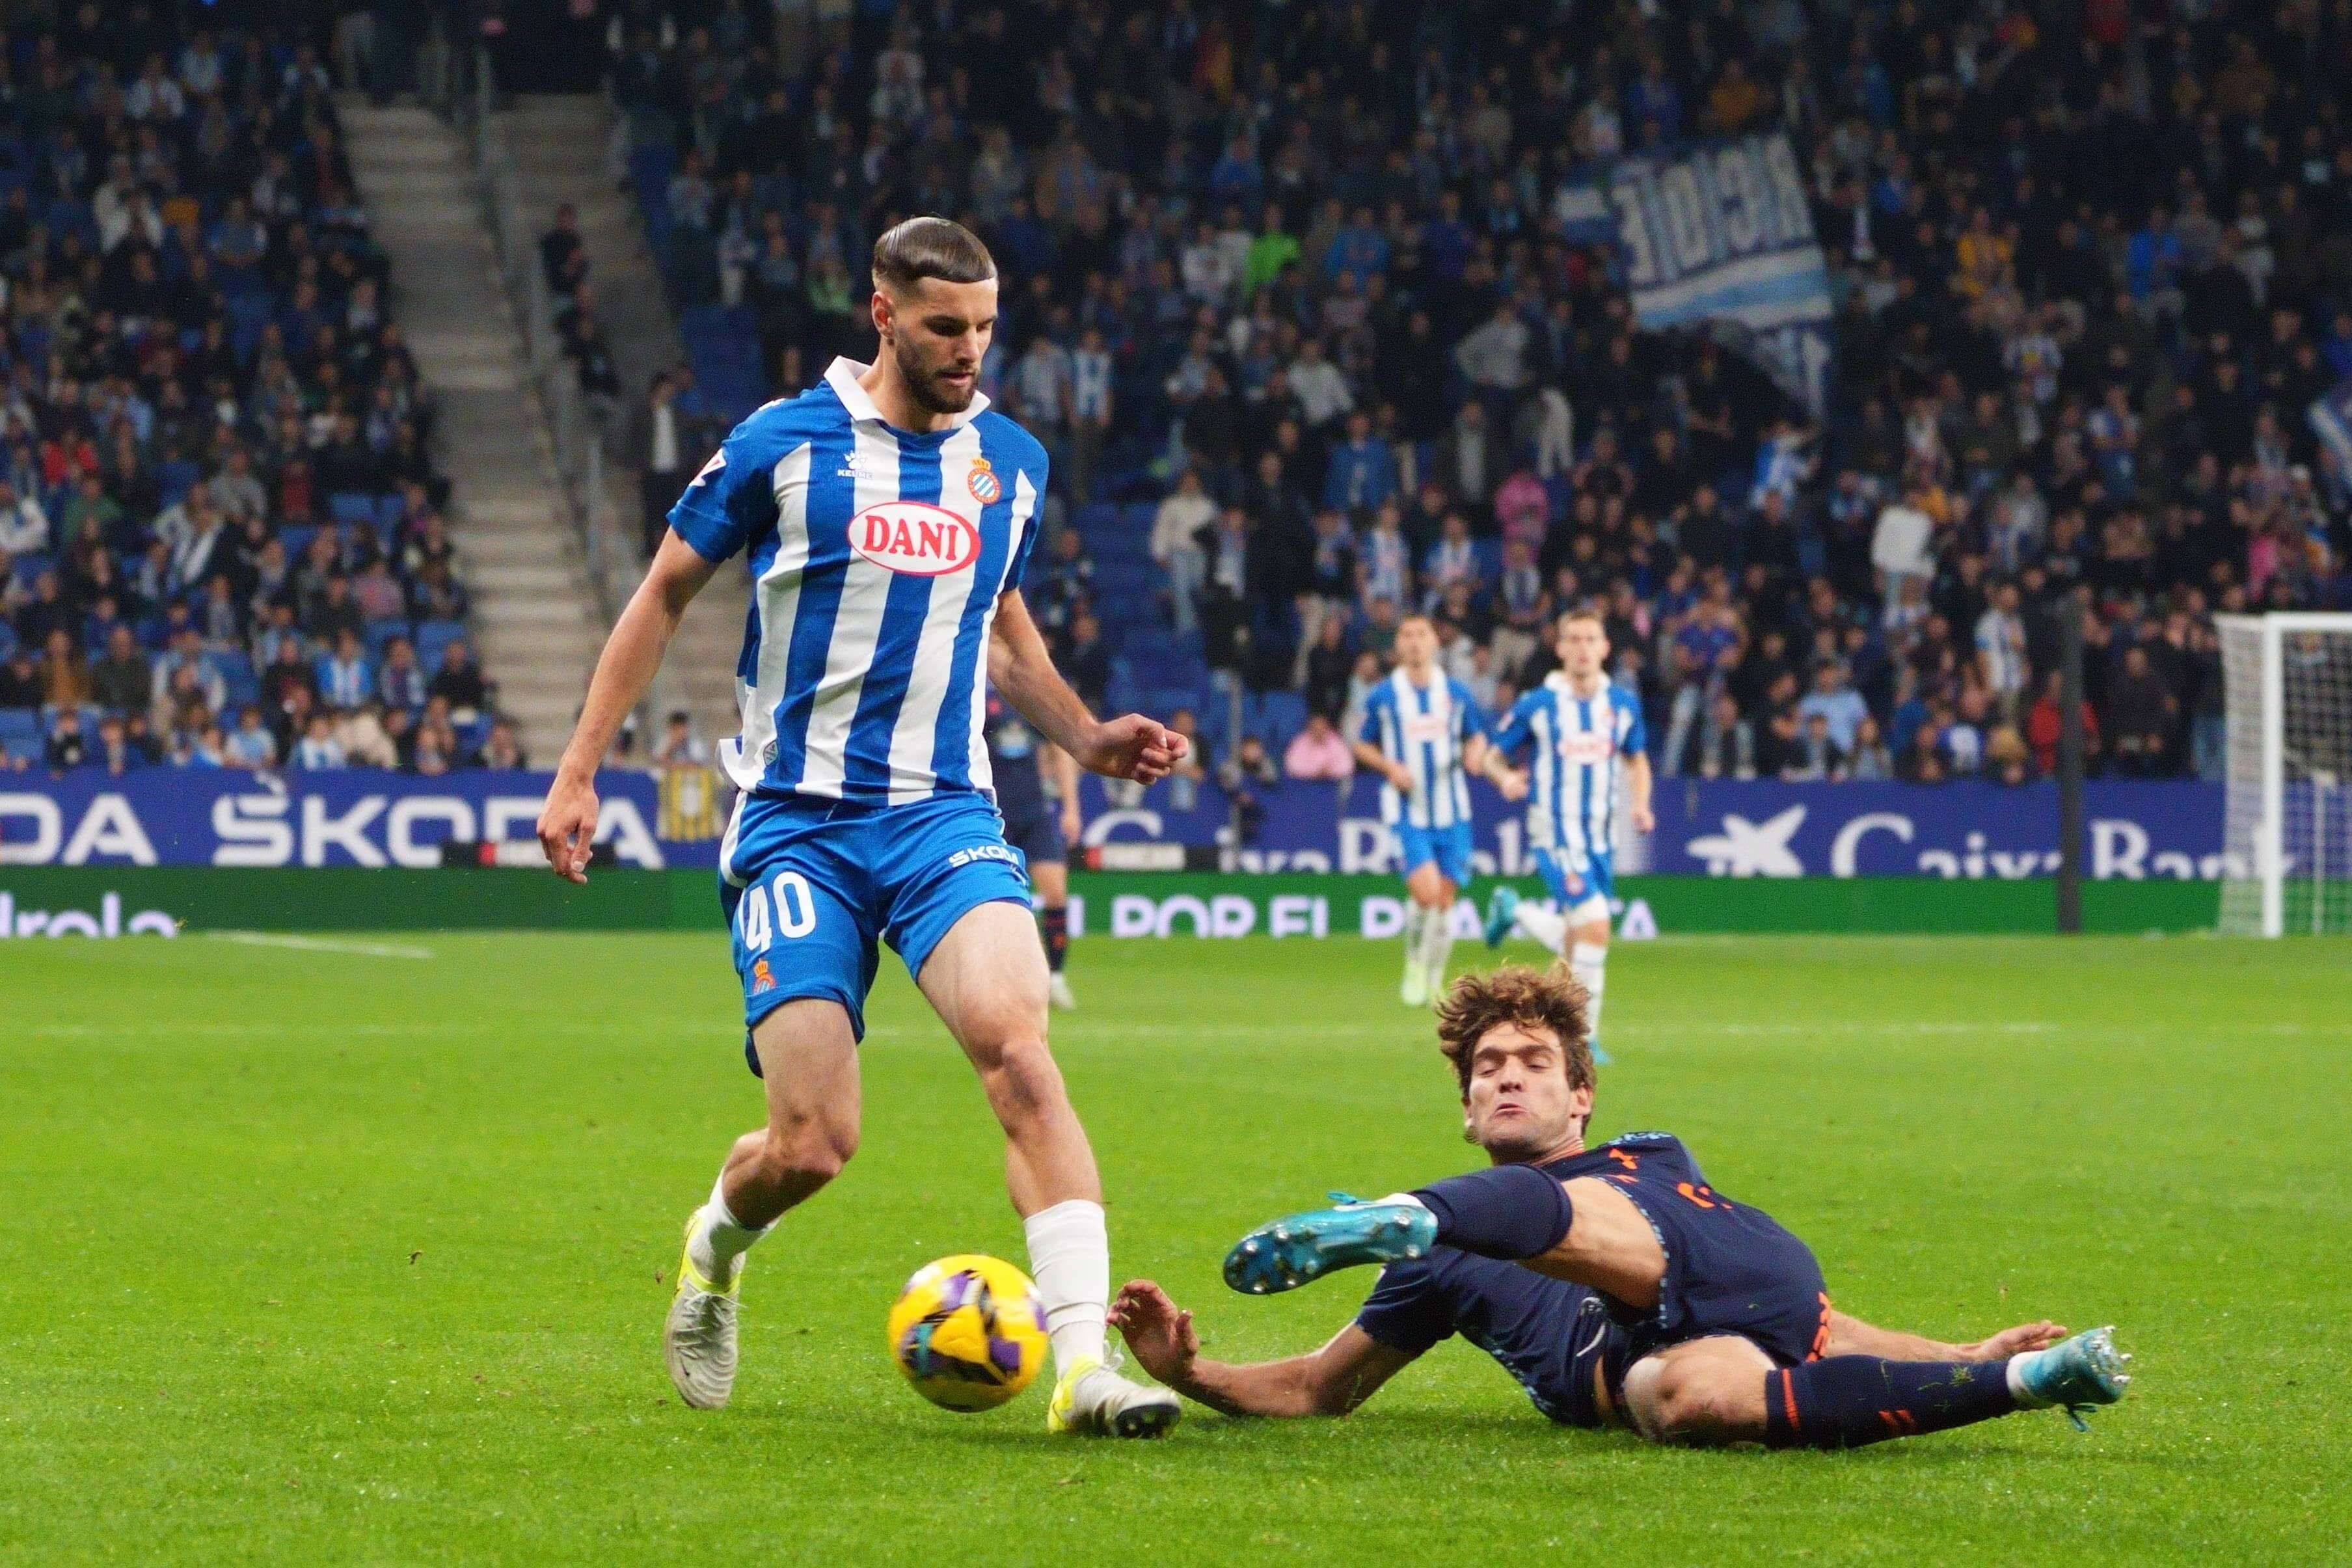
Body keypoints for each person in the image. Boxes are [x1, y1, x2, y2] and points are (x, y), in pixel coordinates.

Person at [535, 217, 1185, 1437]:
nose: (971, 351)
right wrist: (579, 772)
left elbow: (1001, 630)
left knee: (1021, 1053)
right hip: (797, 828)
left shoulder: (1013, 462)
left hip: (944, 815)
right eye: (947, 328)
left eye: (987, 328)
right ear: (882, 314)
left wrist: (1086, 736)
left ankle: (1082, 1369)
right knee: (814, 1143)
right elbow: (662, 593)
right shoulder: (783, 445)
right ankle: (715, 1248)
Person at [1123, 964, 2132, 1448]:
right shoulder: (1430, 1276)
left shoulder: (1643, 1154)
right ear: (1467, 1110)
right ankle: (2038, 1381)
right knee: (1689, 1403)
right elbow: (1314, 1388)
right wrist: (1190, 1370)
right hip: (1646, 1355)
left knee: (1572, 1200)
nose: (1507, 1078)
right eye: (1486, 1069)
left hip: (1692, 1248)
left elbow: (1804, 1310)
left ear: (1581, 1093)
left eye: (1532, 1063)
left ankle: (1408, 1204)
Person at [1478, 610, 1653, 1063]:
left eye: (1589, 638)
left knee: (1579, 937)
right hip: (1553, 829)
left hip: (1600, 836)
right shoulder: (1539, 704)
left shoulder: (1622, 705)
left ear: (1604, 648)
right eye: (1572, 639)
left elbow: (1636, 760)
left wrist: (1640, 804)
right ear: (1559, 648)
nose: (1580, 647)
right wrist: (1505, 780)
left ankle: (1514, 909)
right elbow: (1491, 757)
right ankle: (1585, 1037)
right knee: (1595, 923)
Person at [1351, 614, 1490, 1008]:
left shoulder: (1456, 693)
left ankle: (1433, 978)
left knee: (1445, 902)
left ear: (1434, 643)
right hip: (1407, 810)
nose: (1414, 642)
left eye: (1421, 635)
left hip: (1453, 811)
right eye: (1407, 635)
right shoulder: (1384, 696)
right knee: (1426, 893)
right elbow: (1361, 745)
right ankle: (1413, 962)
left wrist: (1475, 753)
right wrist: (1389, 767)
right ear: (1398, 646)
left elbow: (1475, 735)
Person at [985, 692, 1083, 1011]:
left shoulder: (1029, 699)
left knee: (1056, 893)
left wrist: (1071, 808)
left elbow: (1060, 750)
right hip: (993, 813)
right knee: (1001, 902)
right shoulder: (978, 698)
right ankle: (1005, 980)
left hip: (1035, 813)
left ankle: (1055, 977)